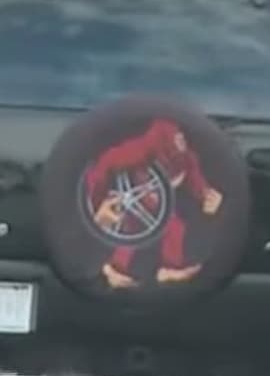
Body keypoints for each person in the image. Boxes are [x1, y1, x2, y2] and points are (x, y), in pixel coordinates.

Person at [85, 119, 224, 289]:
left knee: (174, 229)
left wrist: (206, 196)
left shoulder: (186, 161)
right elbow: (102, 169)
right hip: (134, 209)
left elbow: (195, 178)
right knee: (130, 234)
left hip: (161, 211)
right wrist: (98, 209)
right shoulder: (132, 154)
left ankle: (171, 269)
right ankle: (120, 270)